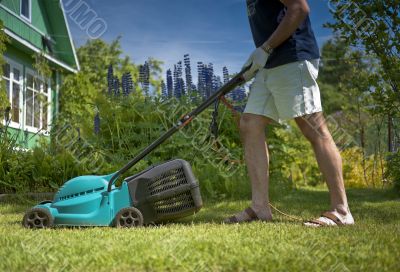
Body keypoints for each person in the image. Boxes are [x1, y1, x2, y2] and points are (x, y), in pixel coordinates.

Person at [224, 0, 354, 227]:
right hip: (269, 64)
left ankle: (341, 210)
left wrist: (265, 49)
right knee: (249, 123)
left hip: (293, 57)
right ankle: (260, 206)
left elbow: (299, 8)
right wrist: (258, 59)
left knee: (312, 127)